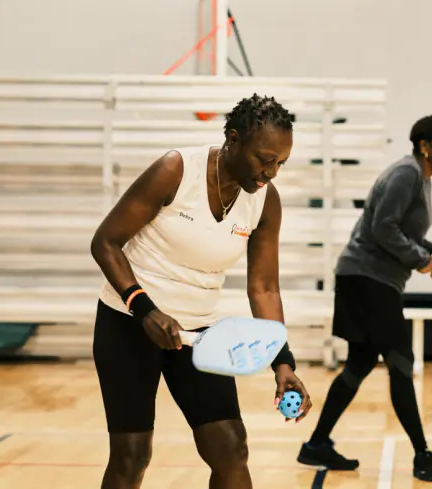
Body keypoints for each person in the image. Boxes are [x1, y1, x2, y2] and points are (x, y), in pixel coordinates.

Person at [89, 94, 312, 489]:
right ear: (233, 139)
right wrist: (145, 310)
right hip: (130, 324)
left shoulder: (265, 201)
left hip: (199, 335)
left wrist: (283, 361)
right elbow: (105, 242)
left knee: (230, 447)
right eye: (264, 158)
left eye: (280, 162)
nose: (271, 172)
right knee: (132, 454)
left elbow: (263, 287)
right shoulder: (176, 170)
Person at [296, 115, 432, 482]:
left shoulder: (419, 176)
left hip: (367, 278)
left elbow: (402, 228)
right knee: (401, 362)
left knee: (360, 363)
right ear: (424, 147)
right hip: (368, 279)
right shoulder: (407, 174)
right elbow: (383, 227)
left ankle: (316, 444)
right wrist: (420, 259)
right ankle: (422, 455)